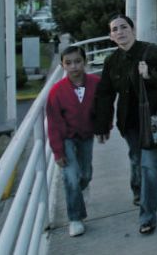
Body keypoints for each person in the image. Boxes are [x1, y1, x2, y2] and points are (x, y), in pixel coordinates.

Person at [93, 13, 157, 235]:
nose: (120, 32)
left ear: (132, 29)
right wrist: (102, 125)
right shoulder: (112, 61)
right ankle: (138, 190)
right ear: (111, 36)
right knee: (135, 158)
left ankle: (147, 216)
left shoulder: (151, 51)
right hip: (129, 122)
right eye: (115, 29)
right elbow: (105, 94)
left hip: (152, 122)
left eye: (124, 27)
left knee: (149, 166)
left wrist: (149, 75)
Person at [45, 45, 101, 237]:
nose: (74, 66)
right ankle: (75, 218)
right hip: (66, 138)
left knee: (85, 174)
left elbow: (102, 110)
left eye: (78, 61)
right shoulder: (56, 91)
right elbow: (53, 123)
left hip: (86, 136)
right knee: (70, 177)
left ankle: (81, 189)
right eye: (68, 63)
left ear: (84, 62)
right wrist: (58, 151)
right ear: (62, 65)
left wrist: (104, 128)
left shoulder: (95, 83)